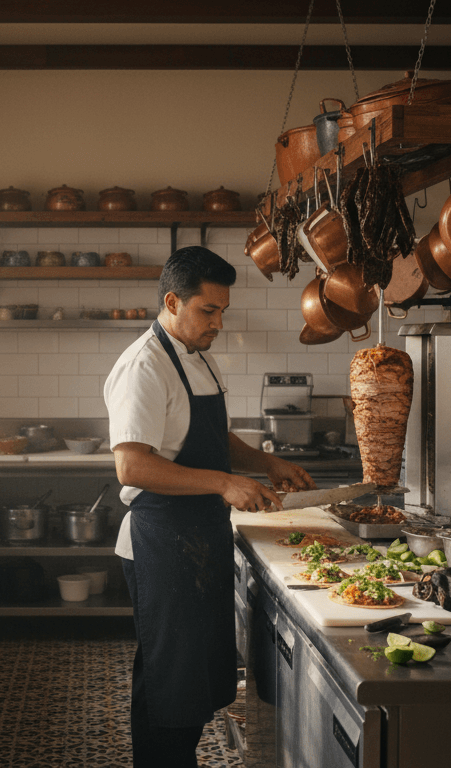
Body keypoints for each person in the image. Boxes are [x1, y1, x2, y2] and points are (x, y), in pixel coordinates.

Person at [104, 246, 316, 767]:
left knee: (186, 678)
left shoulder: (196, 354)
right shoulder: (144, 365)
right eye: (208, 311)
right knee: (169, 680)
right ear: (173, 301)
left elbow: (213, 437)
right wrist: (223, 483)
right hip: (162, 539)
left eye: (223, 311)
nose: (218, 322)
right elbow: (132, 467)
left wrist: (263, 460)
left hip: (196, 536)